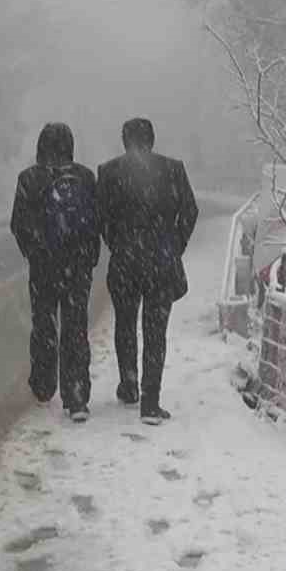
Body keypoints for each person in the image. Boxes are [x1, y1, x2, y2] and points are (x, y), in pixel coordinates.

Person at [97, 118, 199, 425]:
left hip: (125, 261)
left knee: (125, 325)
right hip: (161, 262)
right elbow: (190, 211)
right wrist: (173, 245)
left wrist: (117, 242)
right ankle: (150, 402)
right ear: (152, 139)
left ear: (125, 140)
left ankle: (129, 386)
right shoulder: (173, 169)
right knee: (156, 332)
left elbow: (101, 217)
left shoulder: (109, 172)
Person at [10, 122, 101, 422]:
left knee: (44, 325)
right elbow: (97, 220)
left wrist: (34, 252)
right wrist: (88, 258)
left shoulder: (29, 179)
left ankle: (44, 386)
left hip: (44, 268)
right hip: (77, 267)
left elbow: (18, 224)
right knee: (76, 327)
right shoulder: (85, 177)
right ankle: (76, 397)